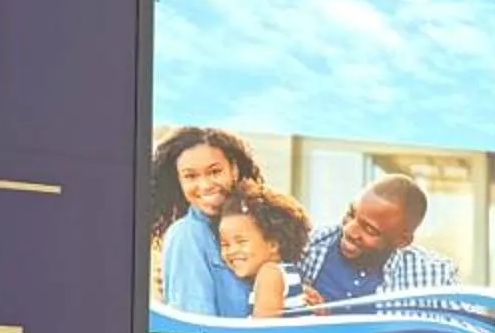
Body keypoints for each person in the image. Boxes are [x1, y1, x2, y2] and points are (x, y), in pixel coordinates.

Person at [297, 172, 461, 304]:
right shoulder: (306, 245)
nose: (349, 231)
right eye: (351, 214)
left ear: (402, 241)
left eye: (370, 229)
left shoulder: (436, 276)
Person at [148, 126, 263, 315]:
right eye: (191, 176)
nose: (205, 185)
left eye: (215, 172)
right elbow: (197, 328)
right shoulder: (187, 235)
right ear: (179, 181)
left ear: (233, 169)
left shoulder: (255, 226)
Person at [213, 185, 312, 320]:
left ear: (273, 244)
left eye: (241, 241)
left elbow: (263, 332)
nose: (231, 251)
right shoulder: (287, 271)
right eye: (225, 244)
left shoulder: (269, 274)